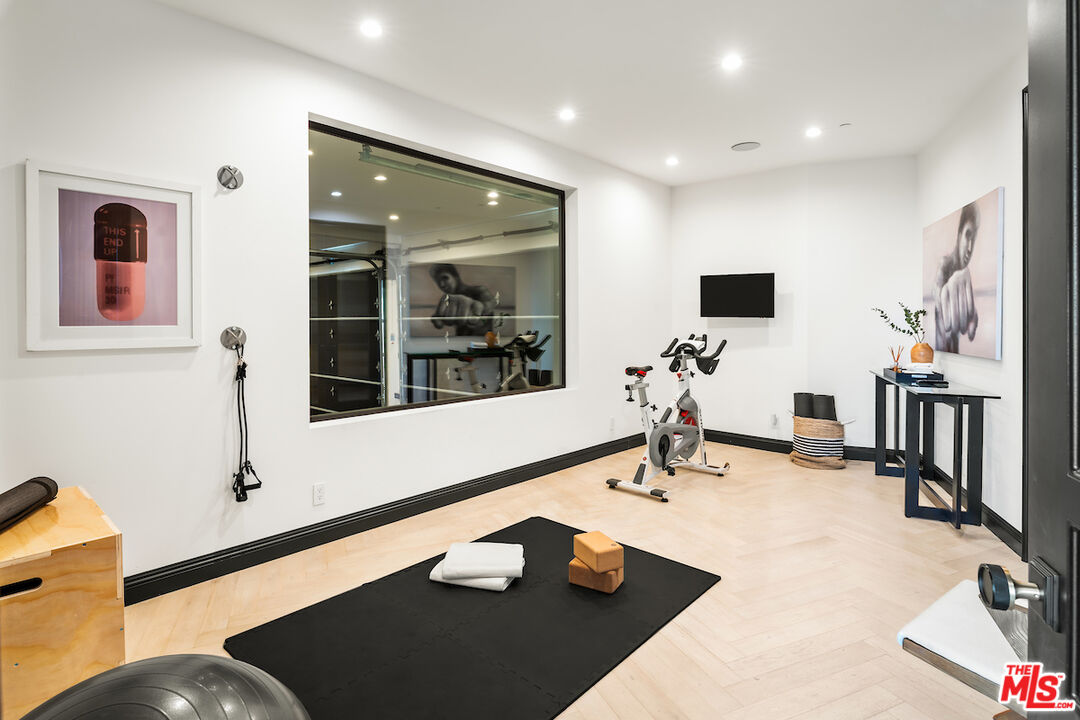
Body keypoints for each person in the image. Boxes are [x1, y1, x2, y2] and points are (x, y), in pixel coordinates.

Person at [934, 202, 980, 352]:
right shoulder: (944, 265)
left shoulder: (964, 276)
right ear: (959, 235)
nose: (970, 249)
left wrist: (973, 316)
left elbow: (971, 332)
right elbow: (939, 301)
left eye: (974, 238)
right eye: (967, 235)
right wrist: (946, 291)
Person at [428, 263, 497, 335]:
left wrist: (476, 309)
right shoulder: (448, 300)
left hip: (482, 342)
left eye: (445, 278)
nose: (442, 284)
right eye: (438, 282)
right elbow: (439, 324)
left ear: (456, 277)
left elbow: (489, 307)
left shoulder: (479, 291)